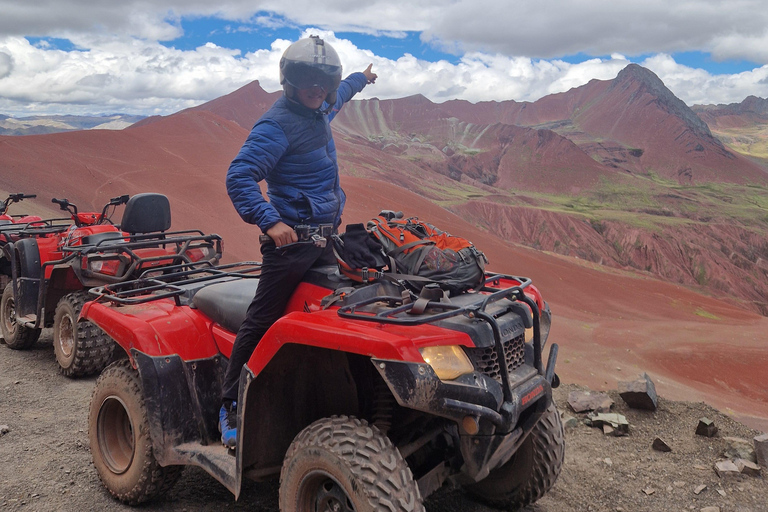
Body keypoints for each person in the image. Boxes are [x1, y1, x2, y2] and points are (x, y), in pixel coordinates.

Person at [219, 35, 377, 448]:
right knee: (261, 319)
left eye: (322, 81)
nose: (317, 88)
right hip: (289, 247)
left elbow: (340, 95)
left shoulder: (322, 107)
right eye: (308, 79)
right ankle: (230, 403)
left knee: (339, 309)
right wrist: (270, 222)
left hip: (325, 240)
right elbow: (240, 176)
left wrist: (361, 78)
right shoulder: (277, 124)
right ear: (290, 81)